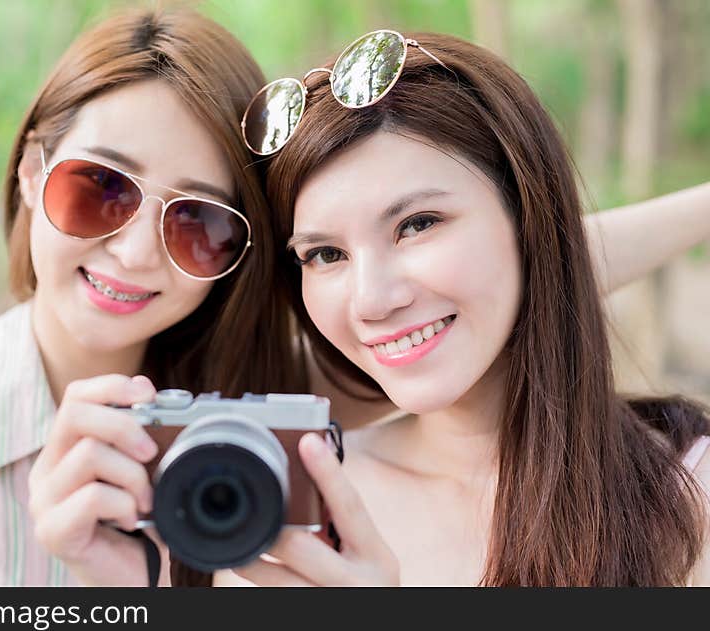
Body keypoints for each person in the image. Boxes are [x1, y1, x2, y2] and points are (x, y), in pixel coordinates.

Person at [0, 12, 707, 587]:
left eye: (197, 222)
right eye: (101, 188)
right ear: (29, 172)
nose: (135, 248)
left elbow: (515, 279)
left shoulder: (266, 420)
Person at [225, 29, 710, 586]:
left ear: (529, 216)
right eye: (325, 254)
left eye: (417, 225)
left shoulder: (685, 495)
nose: (372, 301)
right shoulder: (286, 510)